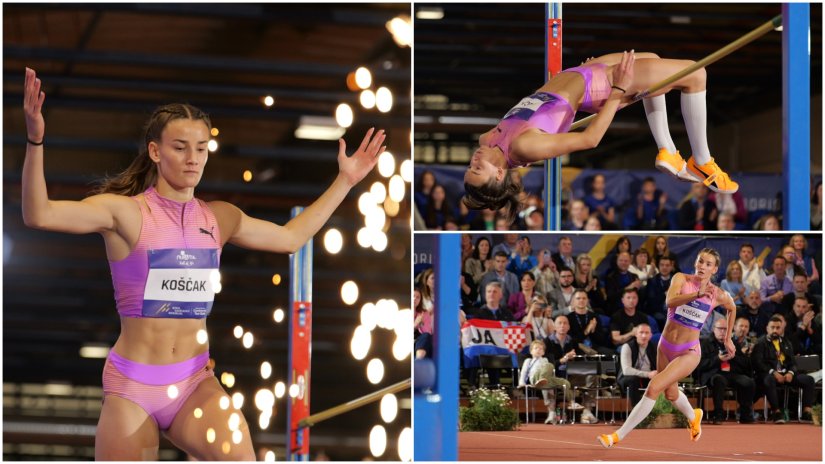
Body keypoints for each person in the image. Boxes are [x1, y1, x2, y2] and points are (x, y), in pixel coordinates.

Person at [21, 69, 386, 460]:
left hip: (194, 381)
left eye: (201, 147)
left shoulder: (219, 218)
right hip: (133, 388)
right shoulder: (126, 214)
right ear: (156, 152)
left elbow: (291, 238)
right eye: (180, 147)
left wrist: (345, 181)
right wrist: (35, 137)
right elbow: (39, 214)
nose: (193, 158)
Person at [461, 51, 739, 224]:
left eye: (470, 167)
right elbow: (589, 140)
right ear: (499, 174)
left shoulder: (487, 141)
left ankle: (667, 150)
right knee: (695, 73)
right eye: (477, 168)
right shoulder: (525, 147)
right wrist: (618, 90)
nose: (473, 161)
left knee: (652, 59)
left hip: (580, 73)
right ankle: (702, 161)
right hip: (596, 86)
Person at [598, 248, 737, 448]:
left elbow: (732, 308)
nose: (702, 266)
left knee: (654, 387)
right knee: (670, 394)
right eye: (700, 261)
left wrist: (728, 339)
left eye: (708, 264)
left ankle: (616, 436)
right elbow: (670, 301)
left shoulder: (717, 294)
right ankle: (693, 415)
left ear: (714, 269)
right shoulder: (681, 279)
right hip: (665, 346)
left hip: (689, 351)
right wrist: (697, 294)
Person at [751, 315, 816, 423]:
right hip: (768, 374)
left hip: (785, 374)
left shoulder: (786, 342)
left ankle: (806, 412)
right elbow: (758, 363)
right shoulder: (760, 343)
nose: (775, 330)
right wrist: (774, 373)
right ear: (767, 328)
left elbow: (793, 362)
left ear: (782, 329)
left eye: (778, 328)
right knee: (769, 379)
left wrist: (790, 373)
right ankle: (776, 412)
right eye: (772, 327)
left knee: (809, 380)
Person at [698, 318, 755, 424]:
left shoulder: (732, 343)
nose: (723, 332)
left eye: (725, 329)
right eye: (720, 329)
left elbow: (745, 363)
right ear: (714, 329)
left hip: (731, 374)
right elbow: (700, 364)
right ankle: (718, 414)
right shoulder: (705, 343)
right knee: (719, 380)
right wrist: (718, 359)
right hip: (714, 374)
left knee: (748, 382)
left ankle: (745, 414)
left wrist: (733, 356)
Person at [517, 340, 572, 425]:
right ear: (531, 351)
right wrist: (521, 383)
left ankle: (568, 403)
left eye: (541, 349)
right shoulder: (528, 360)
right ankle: (542, 381)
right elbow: (523, 372)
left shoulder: (545, 359)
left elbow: (549, 372)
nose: (538, 350)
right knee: (549, 366)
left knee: (565, 382)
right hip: (535, 379)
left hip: (546, 380)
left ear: (543, 352)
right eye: (536, 348)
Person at [617, 323, 658, 407]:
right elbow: (626, 370)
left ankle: (657, 411)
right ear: (636, 334)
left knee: (661, 380)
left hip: (648, 377)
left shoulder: (654, 347)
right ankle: (636, 410)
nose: (644, 336)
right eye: (641, 332)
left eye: (647, 333)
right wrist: (647, 374)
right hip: (628, 378)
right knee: (633, 380)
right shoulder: (627, 346)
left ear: (651, 335)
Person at [567, 289, 613, 357]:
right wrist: (586, 331)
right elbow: (571, 341)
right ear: (573, 301)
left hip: (594, 348)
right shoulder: (569, 318)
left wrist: (593, 330)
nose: (581, 300)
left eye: (584, 298)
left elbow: (602, 340)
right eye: (578, 298)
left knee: (613, 354)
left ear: (587, 300)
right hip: (577, 348)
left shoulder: (594, 316)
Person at [645, 255, 675, 329]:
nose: (664, 267)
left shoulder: (676, 280)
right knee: (667, 319)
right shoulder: (652, 281)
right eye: (662, 265)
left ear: (671, 267)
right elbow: (652, 303)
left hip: (674, 309)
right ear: (658, 266)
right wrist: (665, 294)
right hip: (658, 311)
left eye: (667, 265)